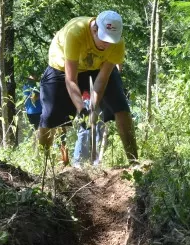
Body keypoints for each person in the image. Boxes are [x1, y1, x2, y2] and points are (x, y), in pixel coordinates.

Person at [37, 11, 138, 162]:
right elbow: (71, 80)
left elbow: (102, 79)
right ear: (94, 30)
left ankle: (134, 161)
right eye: (104, 38)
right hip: (62, 67)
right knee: (50, 116)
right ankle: (43, 162)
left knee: (121, 107)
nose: (107, 44)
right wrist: (82, 110)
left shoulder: (118, 44)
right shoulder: (76, 33)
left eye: (112, 40)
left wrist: (93, 107)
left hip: (97, 67)